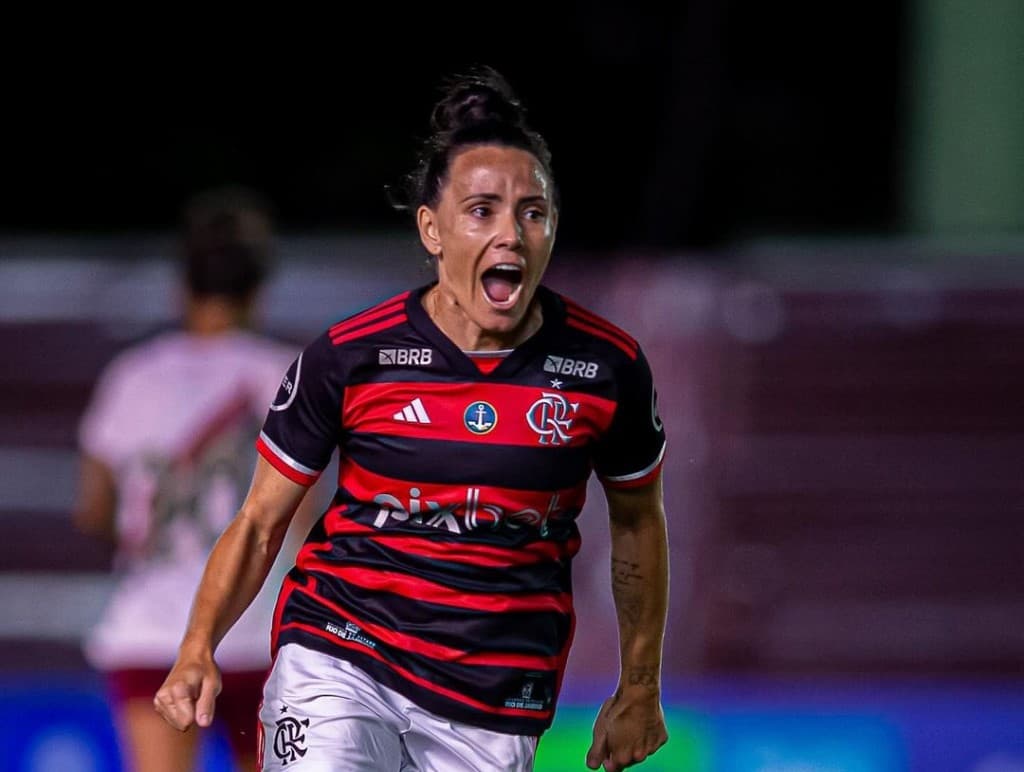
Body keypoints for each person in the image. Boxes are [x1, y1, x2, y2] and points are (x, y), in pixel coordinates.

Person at [154, 66, 670, 772]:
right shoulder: (350, 356)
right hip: (340, 650)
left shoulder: (607, 367)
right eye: (482, 210)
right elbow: (259, 521)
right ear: (432, 228)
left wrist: (639, 689)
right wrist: (197, 646)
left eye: (533, 212)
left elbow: (640, 521)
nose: (511, 234)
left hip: (493, 698)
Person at [74, 186, 311, 772]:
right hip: (259, 633)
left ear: (182, 286)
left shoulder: (132, 377)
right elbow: (303, 521)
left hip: (151, 629)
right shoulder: (285, 373)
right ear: (259, 288)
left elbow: (94, 508)